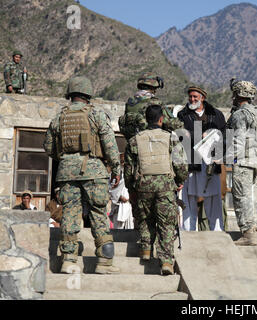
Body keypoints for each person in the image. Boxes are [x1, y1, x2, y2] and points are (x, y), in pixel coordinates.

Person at [44, 76, 122, 274]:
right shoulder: (97, 114)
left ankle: (69, 260)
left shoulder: (59, 117)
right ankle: (104, 261)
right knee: (98, 214)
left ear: (70, 94)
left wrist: (67, 159)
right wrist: (116, 168)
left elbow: (49, 148)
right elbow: (110, 146)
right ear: (88, 94)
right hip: (94, 171)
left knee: (70, 214)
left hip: (67, 173)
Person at [118, 72, 183, 259]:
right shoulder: (155, 104)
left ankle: (145, 246)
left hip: (137, 154)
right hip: (156, 154)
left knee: (142, 209)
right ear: (154, 88)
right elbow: (174, 123)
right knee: (164, 213)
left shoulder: (130, 103)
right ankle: (165, 257)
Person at [124, 105, 188, 275]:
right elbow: (181, 165)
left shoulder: (134, 140)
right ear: (161, 119)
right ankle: (166, 260)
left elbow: (129, 168)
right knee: (166, 222)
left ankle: (145, 248)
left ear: (146, 119)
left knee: (145, 217)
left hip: (143, 184)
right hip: (165, 185)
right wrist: (180, 181)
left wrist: (131, 188)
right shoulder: (171, 138)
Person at [225, 79, 257, 246]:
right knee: (246, 195)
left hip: (243, 161)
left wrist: (228, 159)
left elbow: (237, 141)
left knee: (241, 196)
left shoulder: (240, 115)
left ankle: (248, 233)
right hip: (256, 161)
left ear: (237, 95)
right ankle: (252, 229)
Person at [177, 86, 226, 232]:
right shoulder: (183, 115)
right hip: (192, 163)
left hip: (211, 164)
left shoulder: (216, 115)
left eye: (195, 97)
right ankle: (188, 231)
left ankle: (217, 231)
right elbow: (179, 136)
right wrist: (196, 136)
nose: (192, 99)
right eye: (190, 97)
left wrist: (214, 140)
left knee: (213, 199)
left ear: (202, 98)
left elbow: (224, 136)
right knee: (189, 198)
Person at [109, 154, 134, 229]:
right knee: (118, 229)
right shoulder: (114, 175)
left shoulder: (132, 173)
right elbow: (111, 188)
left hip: (129, 204)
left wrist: (130, 198)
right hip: (118, 204)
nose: (123, 164)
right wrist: (119, 197)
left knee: (130, 228)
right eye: (122, 162)